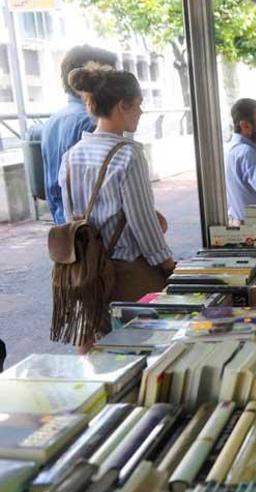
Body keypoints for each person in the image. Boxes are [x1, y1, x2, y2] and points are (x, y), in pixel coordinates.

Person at [59, 63, 175, 305]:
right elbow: (141, 222)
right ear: (123, 105)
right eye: (138, 103)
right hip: (126, 273)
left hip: (87, 269)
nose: (141, 111)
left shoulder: (72, 155)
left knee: (98, 337)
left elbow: (76, 216)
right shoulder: (127, 154)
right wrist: (167, 264)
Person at [42, 45, 118, 225]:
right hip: (93, 230)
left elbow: (51, 187)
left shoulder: (52, 121)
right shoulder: (93, 122)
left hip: (65, 224)